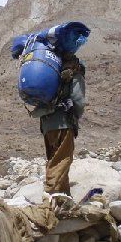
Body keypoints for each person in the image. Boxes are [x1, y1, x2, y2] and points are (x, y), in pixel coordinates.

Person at [31, 52, 85, 197]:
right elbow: (78, 100)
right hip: (63, 124)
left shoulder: (49, 74)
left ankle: (63, 197)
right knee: (62, 161)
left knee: (55, 160)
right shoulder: (75, 74)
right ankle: (49, 196)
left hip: (47, 126)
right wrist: (75, 118)